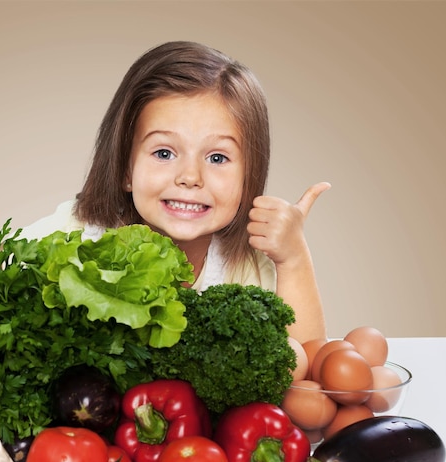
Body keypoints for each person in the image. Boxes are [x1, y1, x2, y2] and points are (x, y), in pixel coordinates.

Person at [20, 41, 329, 343]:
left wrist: (294, 259)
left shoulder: (247, 267)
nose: (190, 177)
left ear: (249, 177)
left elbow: (307, 365)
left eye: (217, 158)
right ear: (126, 169)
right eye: (164, 153)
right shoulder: (71, 237)